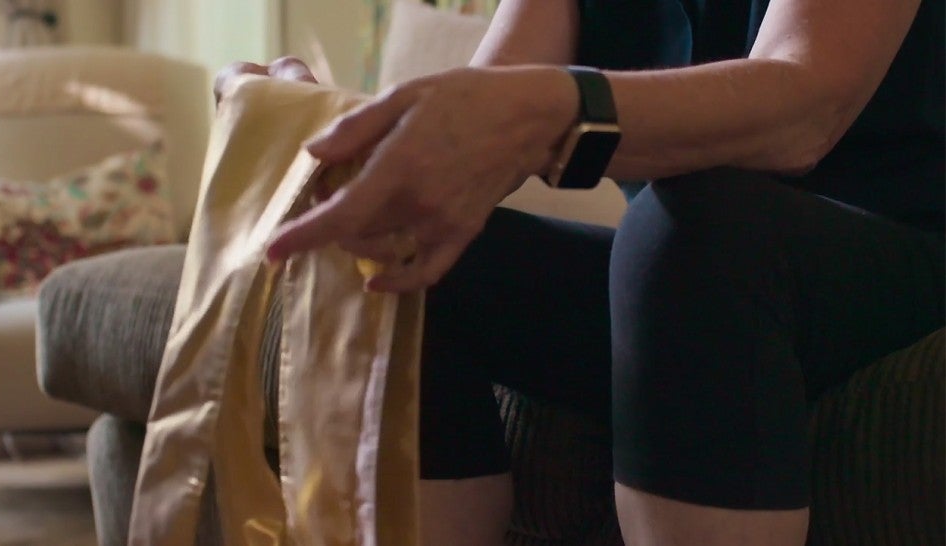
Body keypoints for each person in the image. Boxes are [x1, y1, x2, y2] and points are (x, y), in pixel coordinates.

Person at [217, 1, 944, 544]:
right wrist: (321, 143)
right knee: (417, 264)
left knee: (694, 229)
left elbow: (805, 105)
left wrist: (555, 109)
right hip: (691, 283)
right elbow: (478, 116)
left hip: (895, 249)